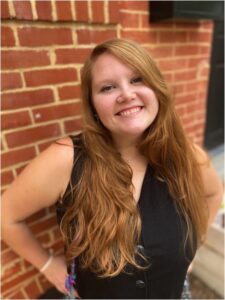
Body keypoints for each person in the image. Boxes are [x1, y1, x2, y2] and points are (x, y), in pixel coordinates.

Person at [2, 38, 223, 299]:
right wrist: (48, 265)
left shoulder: (185, 155)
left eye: (138, 79)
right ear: (93, 106)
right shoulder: (67, 160)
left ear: (157, 89)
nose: (127, 94)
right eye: (107, 87)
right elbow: (5, 215)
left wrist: (194, 246)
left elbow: (213, 194)